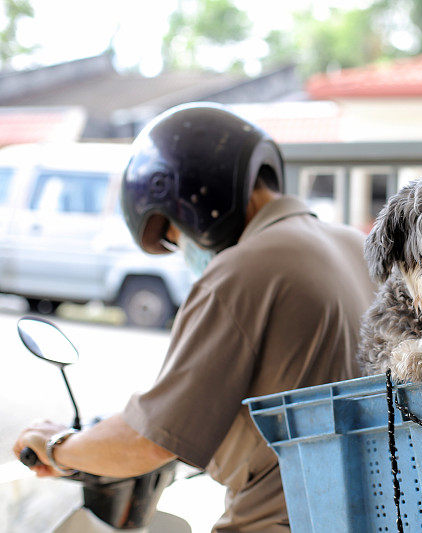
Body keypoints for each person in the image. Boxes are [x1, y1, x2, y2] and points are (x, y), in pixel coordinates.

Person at [13, 103, 375, 531]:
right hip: (374, 514)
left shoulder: (245, 270)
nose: (183, 250)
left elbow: (148, 442)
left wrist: (58, 447)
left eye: (174, 234)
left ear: (195, 202)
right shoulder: (356, 247)